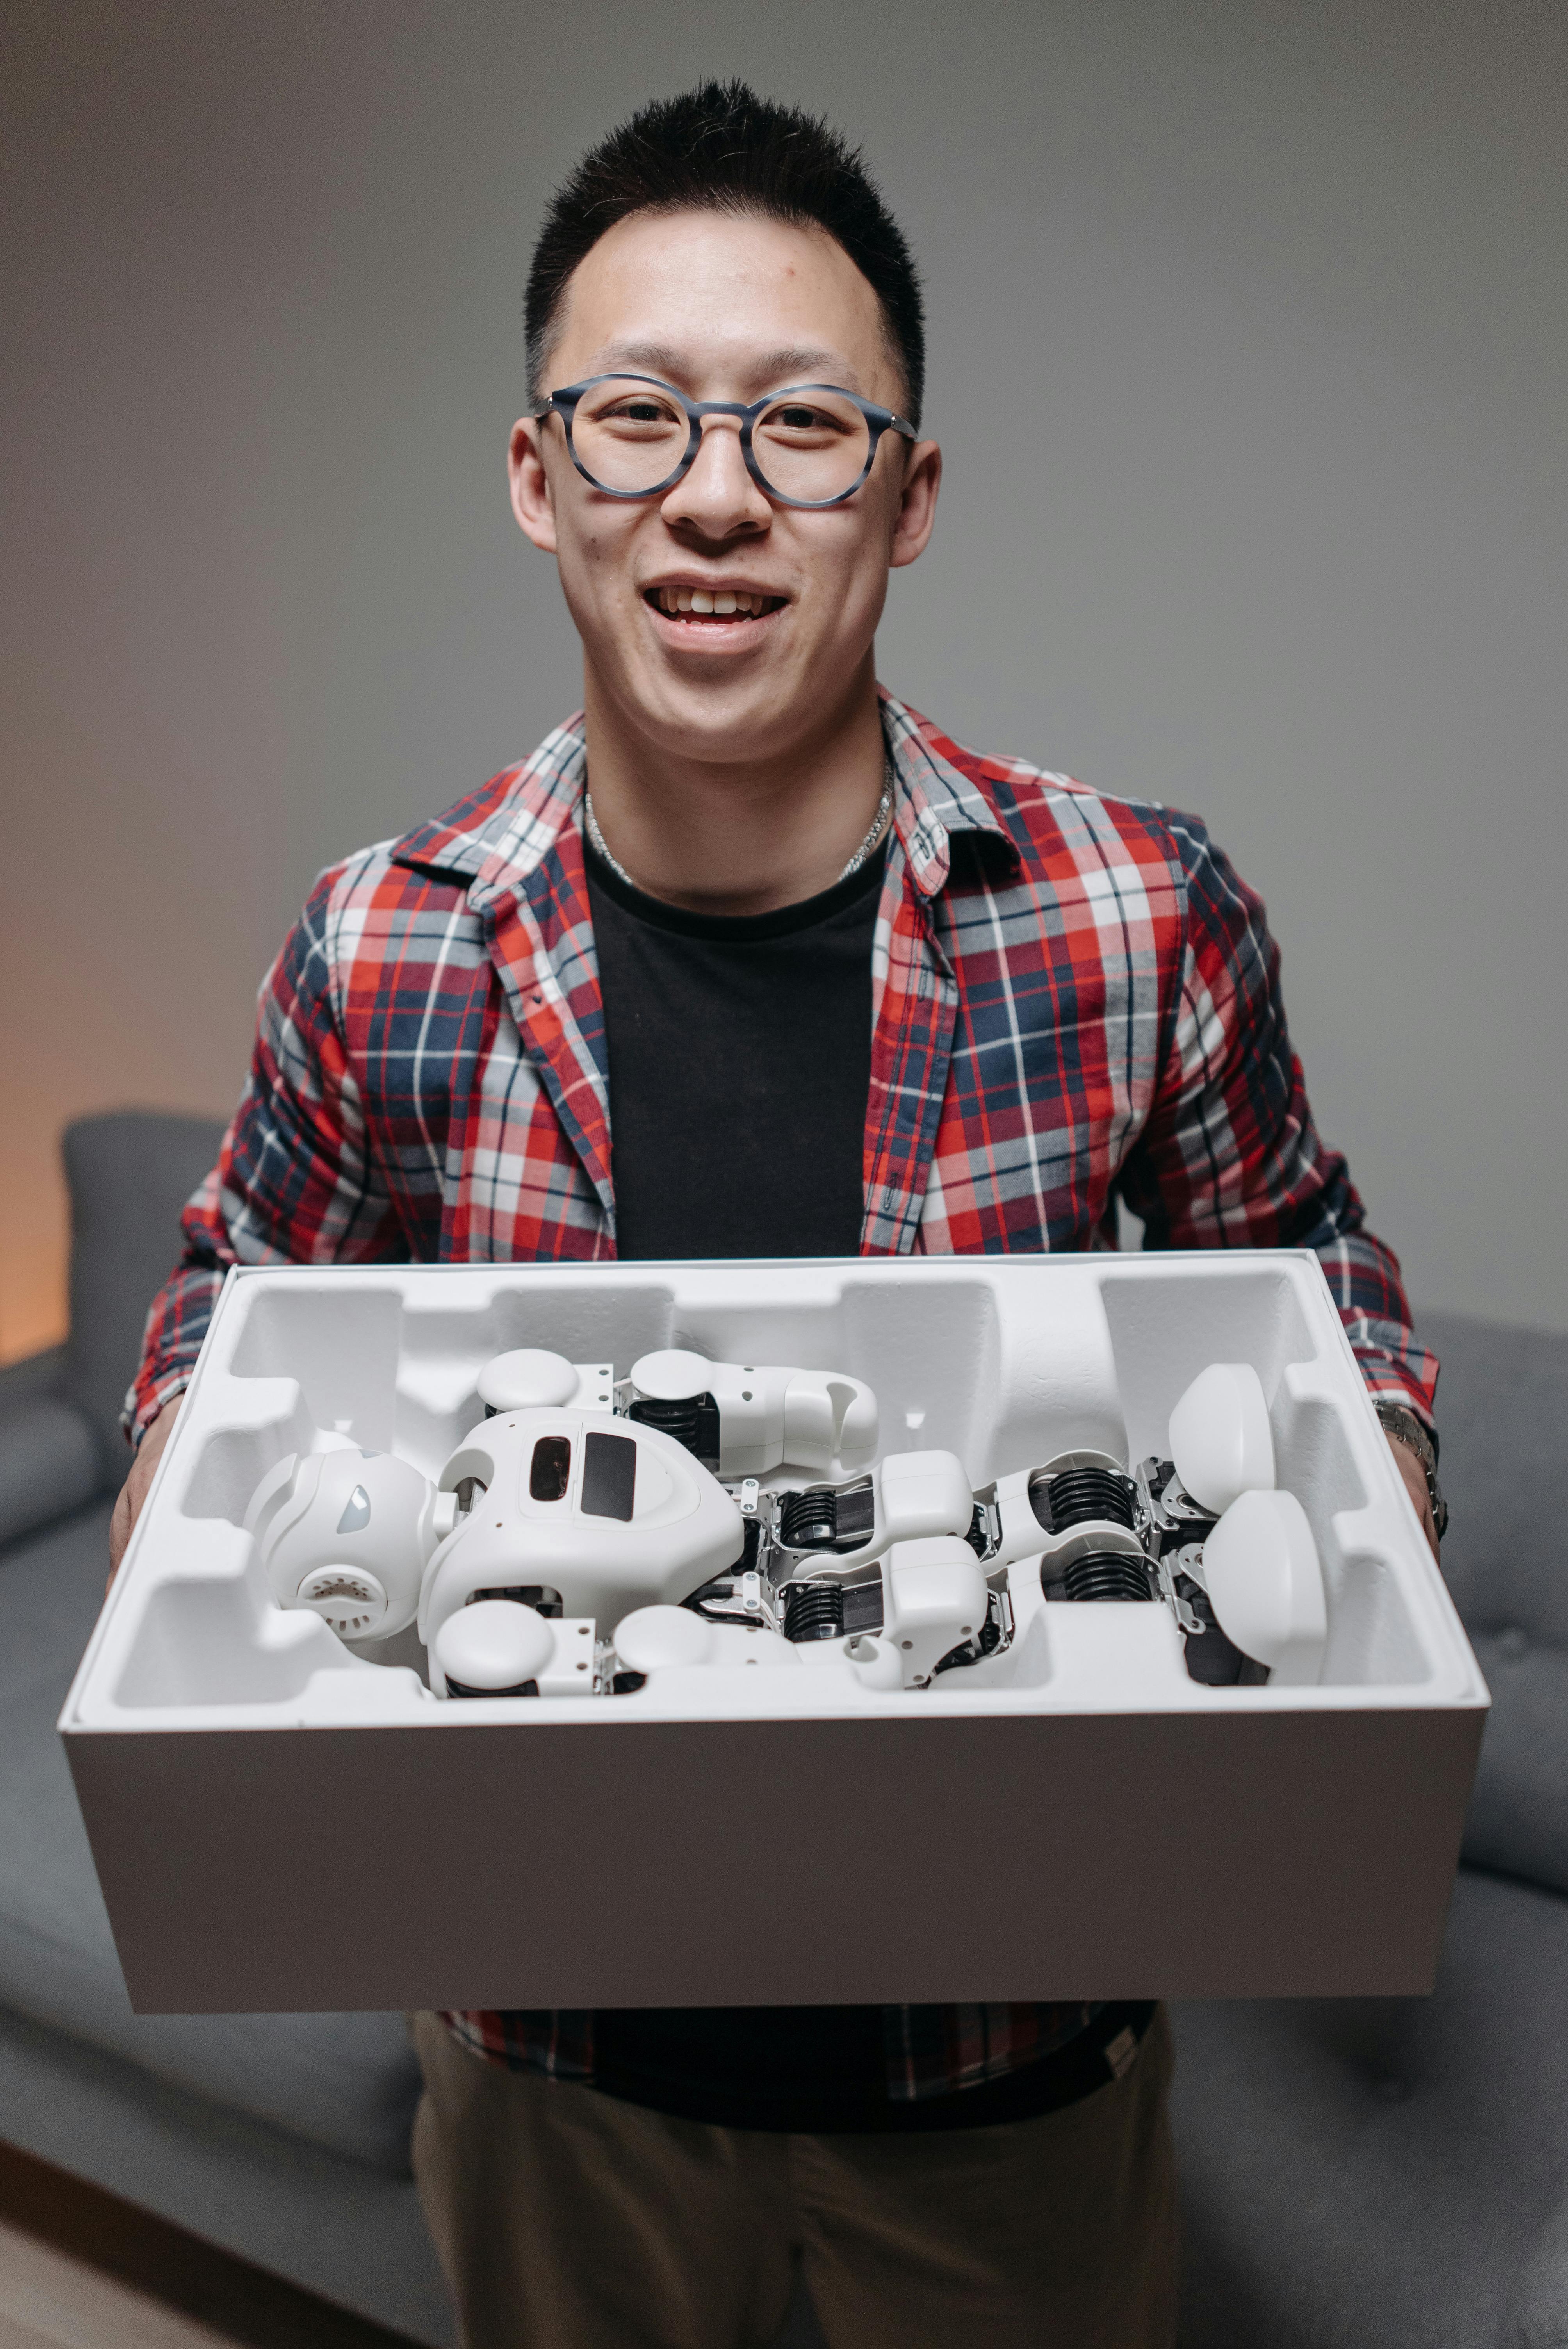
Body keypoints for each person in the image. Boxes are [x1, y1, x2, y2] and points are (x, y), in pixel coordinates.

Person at [110, 79, 1445, 2349]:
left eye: (805, 430)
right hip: (549, 2061)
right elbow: (225, 1304)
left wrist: (1346, 1533)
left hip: (1009, 2060)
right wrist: (199, 1586)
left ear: (907, 498)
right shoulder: (386, 941)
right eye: (635, 419)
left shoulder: (1136, 912)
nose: (713, 496)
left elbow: (1327, 1285)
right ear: (539, 478)